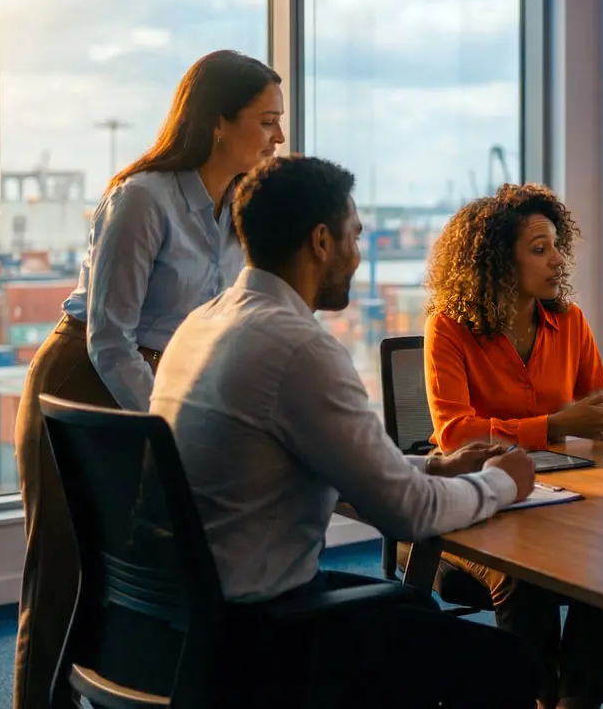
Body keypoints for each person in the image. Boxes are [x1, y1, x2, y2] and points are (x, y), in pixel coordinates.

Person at [150, 155, 540, 707]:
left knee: (413, 613)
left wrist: (432, 465)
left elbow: (330, 460)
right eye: (354, 236)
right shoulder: (297, 347)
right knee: (507, 663)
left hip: (182, 617)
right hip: (259, 633)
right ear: (321, 242)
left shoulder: (205, 321)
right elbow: (410, 514)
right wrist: (504, 482)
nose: (359, 254)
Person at [12, 50, 284, 709]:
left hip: (161, 380)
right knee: (63, 576)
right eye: (266, 121)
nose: (278, 137)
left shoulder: (239, 211)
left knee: (144, 578)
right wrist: (169, 425)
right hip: (82, 377)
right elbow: (110, 336)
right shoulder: (144, 197)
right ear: (218, 123)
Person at [423, 183, 603, 709]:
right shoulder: (447, 328)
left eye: (557, 245)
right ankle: (537, 696)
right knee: (528, 577)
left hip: (559, 497)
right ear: (496, 262)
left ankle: (575, 703)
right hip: (473, 502)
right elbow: (455, 433)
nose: (557, 259)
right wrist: (556, 425)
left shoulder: (569, 322)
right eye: (540, 249)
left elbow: (596, 413)